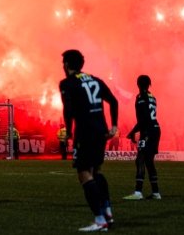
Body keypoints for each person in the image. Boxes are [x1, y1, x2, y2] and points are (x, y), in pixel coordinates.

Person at [59, 50, 118, 232]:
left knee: (83, 172)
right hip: (100, 130)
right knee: (96, 171)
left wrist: (68, 131)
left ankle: (100, 220)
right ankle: (107, 211)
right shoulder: (96, 80)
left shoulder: (67, 83)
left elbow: (68, 110)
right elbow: (114, 101)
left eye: (63, 63)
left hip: (85, 131)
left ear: (67, 64)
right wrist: (114, 126)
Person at [123, 75, 161, 200]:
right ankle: (156, 193)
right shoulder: (152, 97)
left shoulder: (140, 98)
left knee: (140, 159)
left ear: (138, 84)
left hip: (148, 131)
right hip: (155, 129)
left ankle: (138, 192)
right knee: (149, 161)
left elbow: (143, 119)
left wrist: (133, 132)